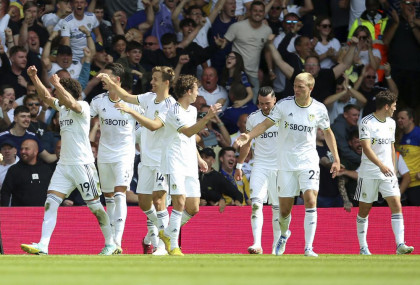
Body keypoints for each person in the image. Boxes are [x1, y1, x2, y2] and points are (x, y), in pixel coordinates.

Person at [235, 72, 340, 257]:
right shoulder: (284, 105)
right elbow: (266, 124)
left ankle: (309, 247)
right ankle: (284, 234)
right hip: (285, 163)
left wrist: (336, 159)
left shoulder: (319, 109)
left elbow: (328, 132)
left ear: (310, 88)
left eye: (301, 86)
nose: (296, 89)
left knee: (310, 199)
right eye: (295, 86)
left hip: (308, 160)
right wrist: (248, 136)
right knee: (283, 210)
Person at [20, 66, 116, 255]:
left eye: (58, 90)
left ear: (68, 92)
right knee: (51, 202)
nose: (55, 94)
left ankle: (111, 243)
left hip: (83, 165)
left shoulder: (83, 107)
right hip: (64, 166)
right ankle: (43, 245)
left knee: (95, 206)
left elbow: (72, 103)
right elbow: (47, 98)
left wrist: (57, 84)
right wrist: (34, 77)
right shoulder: (62, 108)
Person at [98, 66, 176, 255]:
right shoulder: (148, 97)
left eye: (156, 79)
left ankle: (163, 245)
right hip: (146, 160)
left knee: (159, 201)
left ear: (166, 82)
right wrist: (111, 83)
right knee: (144, 203)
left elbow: (154, 125)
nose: (152, 82)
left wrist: (131, 112)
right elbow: (126, 97)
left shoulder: (170, 104)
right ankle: (154, 234)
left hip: (162, 160)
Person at [148, 74, 221, 256]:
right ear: (188, 91)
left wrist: (199, 158)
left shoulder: (192, 111)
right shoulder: (174, 111)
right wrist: (208, 118)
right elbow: (188, 132)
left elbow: (188, 141)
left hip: (189, 161)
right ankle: (173, 246)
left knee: (193, 207)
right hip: (174, 162)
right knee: (179, 201)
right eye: (196, 89)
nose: (197, 93)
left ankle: (166, 232)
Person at [90, 63, 143, 254]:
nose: (102, 78)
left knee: (120, 194)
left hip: (124, 154)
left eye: (107, 76)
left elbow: (143, 125)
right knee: (109, 198)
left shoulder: (132, 102)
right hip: (104, 155)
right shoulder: (97, 101)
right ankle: (110, 242)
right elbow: (84, 119)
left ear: (117, 80)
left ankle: (117, 242)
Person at [355, 90, 413, 255]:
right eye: (394, 106)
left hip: (387, 172)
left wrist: (393, 169)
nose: (395, 109)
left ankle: (400, 245)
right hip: (370, 173)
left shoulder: (391, 123)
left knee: (396, 204)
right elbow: (366, 148)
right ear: (386, 106)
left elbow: (391, 146)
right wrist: (380, 165)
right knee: (364, 210)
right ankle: (363, 247)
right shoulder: (366, 122)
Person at [234, 86, 281, 255]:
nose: (264, 107)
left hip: (279, 166)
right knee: (255, 204)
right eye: (261, 103)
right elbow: (247, 143)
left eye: (267, 103)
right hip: (260, 164)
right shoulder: (253, 118)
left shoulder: (283, 116)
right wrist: (239, 165)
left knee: (277, 207)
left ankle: (276, 247)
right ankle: (257, 244)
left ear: (274, 100)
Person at [223, 1, 272, 102]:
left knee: (253, 108)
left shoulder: (267, 30)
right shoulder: (236, 26)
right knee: (232, 104)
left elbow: (267, 51)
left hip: (253, 74)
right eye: (255, 11)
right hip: (236, 74)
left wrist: (271, 70)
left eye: (260, 11)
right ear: (249, 11)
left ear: (264, 13)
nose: (258, 13)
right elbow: (224, 45)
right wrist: (220, 43)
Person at [1, 139, 52, 206]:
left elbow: (53, 192)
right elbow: (5, 193)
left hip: (43, 213)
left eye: (26, 149)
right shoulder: (14, 170)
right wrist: (4, 212)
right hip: (20, 213)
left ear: (36, 151)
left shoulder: (46, 169)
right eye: (21, 149)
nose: (23, 151)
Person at [199, 147, 244, 212]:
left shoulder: (217, 177)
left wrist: (236, 203)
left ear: (213, 161)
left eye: (206, 157)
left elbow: (237, 194)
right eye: (201, 157)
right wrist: (197, 202)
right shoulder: (193, 174)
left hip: (213, 213)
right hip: (195, 213)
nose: (202, 159)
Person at [396, 108, 420, 205]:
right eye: (398, 118)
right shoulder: (399, 136)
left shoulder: (418, 134)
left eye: (403, 118)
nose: (399, 120)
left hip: (416, 184)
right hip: (402, 183)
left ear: (411, 119)